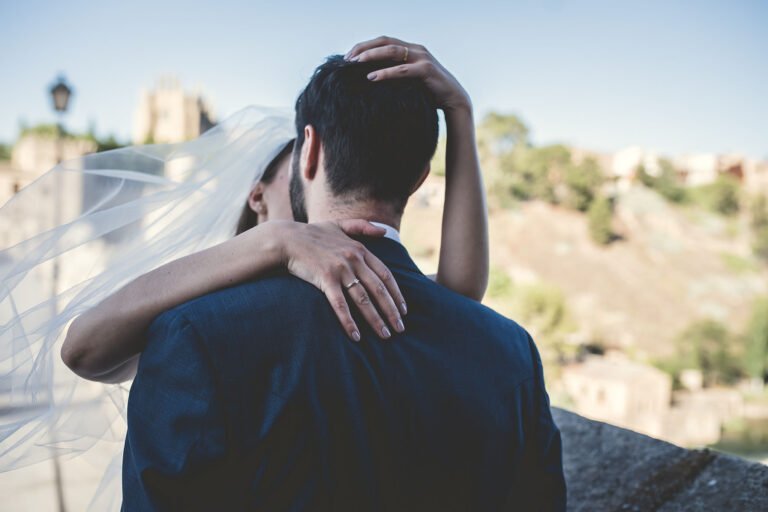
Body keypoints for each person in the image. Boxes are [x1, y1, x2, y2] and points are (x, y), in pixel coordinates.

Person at [122, 36, 566, 511]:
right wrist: (461, 113)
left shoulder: (195, 335)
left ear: (309, 150)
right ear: (420, 178)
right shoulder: (511, 352)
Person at [60, 39, 488, 385]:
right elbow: (83, 348)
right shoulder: (204, 308)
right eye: (292, 171)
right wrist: (276, 238)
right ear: (257, 197)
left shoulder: (357, 274)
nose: (307, 185)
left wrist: (461, 113)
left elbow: (459, 291)